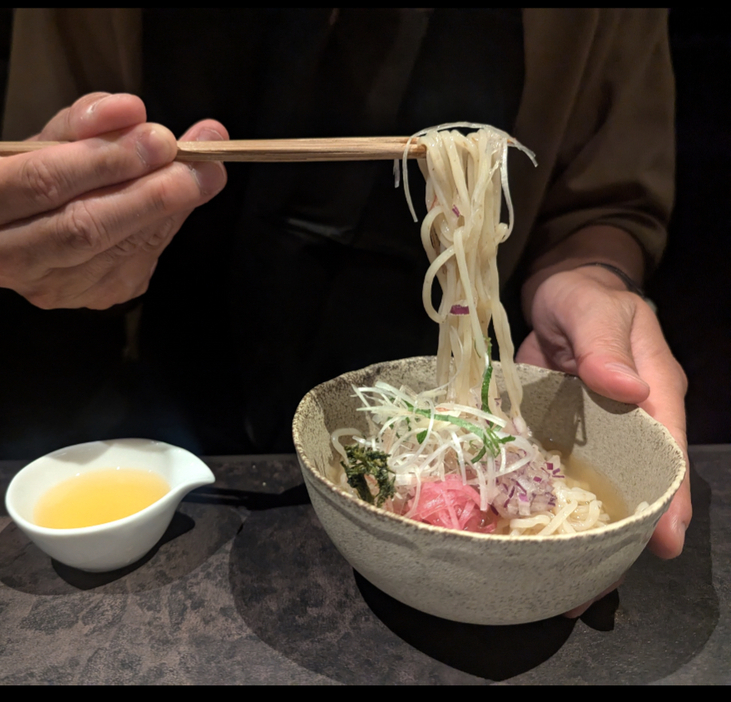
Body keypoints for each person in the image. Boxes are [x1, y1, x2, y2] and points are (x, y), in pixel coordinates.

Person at [0, 9, 691, 609]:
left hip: (471, 395)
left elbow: (605, 200)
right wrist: (51, 236)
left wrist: (591, 276)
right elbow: (39, 161)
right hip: (159, 410)